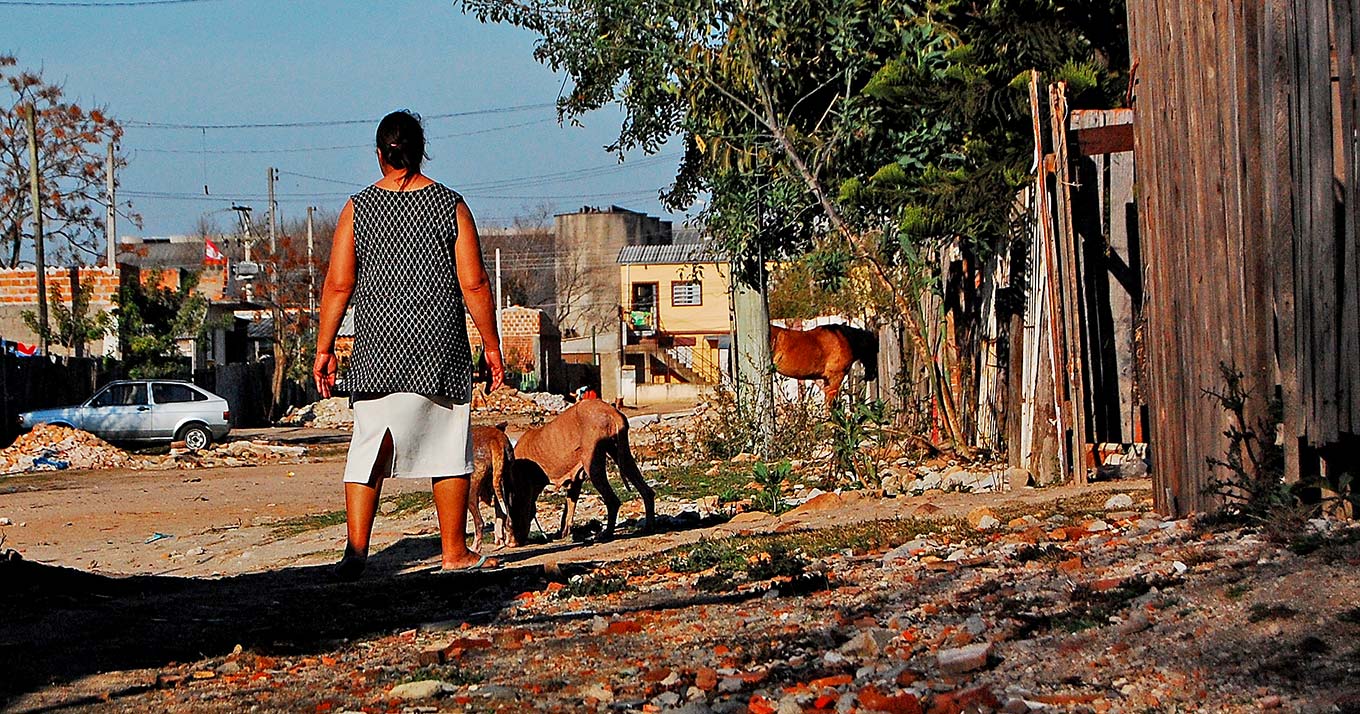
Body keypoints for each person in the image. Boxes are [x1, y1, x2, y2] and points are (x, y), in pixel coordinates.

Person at [313, 110, 505, 580]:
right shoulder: (451, 205)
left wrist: (325, 348)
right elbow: (475, 284)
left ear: (379, 155)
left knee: (368, 450)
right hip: (439, 349)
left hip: (377, 350)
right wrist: (492, 346)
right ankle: (454, 552)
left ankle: (356, 555)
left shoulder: (357, 209)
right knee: (447, 446)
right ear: (421, 151)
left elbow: (338, 285)